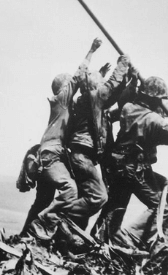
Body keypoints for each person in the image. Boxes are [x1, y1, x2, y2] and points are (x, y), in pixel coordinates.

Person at [94, 76, 168, 249]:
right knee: (163, 206)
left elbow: (112, 115)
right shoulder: (155, 121)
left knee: (118, 203)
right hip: (134, 169)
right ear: (156, 99)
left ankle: (100, 236)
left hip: (118, 165)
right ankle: (131, 239)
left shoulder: (128, 108)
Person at [25, 38, 102, 240]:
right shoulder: (62, 100)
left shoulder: (64, 107)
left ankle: (25, 235)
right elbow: (78, 77)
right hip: (52, 154)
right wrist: (91, 51)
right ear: (63, 88)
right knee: (70, 189)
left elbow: (83, 87)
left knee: (42, 199)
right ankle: (43, 224)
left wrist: (99, 75)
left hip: (49, 155)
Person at [64, 54, 132, 229]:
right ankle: (58, 215)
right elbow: (109, 88)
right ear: (94, 86)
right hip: (82, 157)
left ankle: (70, 237)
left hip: (83, 158)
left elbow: (115, 99)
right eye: (99, 83)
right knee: (99, 197)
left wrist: (130, 82)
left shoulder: (93, 106)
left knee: (85, 198)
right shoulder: (92, 98)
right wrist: (122, 64)